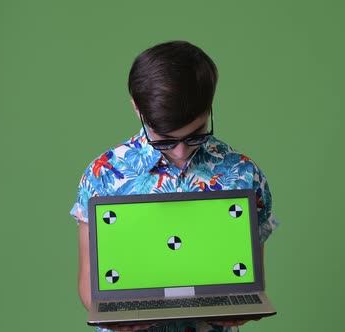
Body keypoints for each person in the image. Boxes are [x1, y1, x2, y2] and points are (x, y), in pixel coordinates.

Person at [69, 40, 278, 332]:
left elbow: (250, 277)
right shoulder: (103, 175)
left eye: (196, 135)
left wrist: (240, 308)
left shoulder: (243, 174)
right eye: (165, 140)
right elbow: (89, 277)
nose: (180, 152)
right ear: (138, 110)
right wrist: (115, 317)